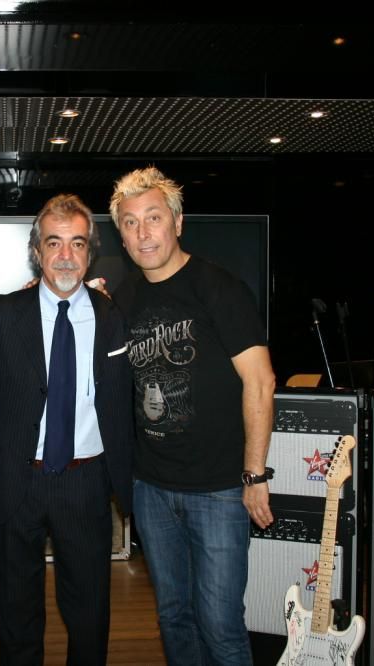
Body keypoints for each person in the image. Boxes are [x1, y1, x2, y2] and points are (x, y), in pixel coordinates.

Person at [109, 167, 276, 666]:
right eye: (131, 222)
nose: (143, 232)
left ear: (177, 223)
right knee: (173, 618)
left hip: (219, 490)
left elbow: (261, 382)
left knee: (220, 627)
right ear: (121, 236)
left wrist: (254, 475)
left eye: (154, 218)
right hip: (152, 488)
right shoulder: (123, 299)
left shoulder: (218, 287)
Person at [0, 193, 133, 666]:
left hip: (85, 482)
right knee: (16, 609)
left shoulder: (113, 317)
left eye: (77, 243)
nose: (66, 255)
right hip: (17, 479)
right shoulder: (0, 315)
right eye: (54, 243)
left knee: (89, 611)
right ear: (37, 251)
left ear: (90, 252)